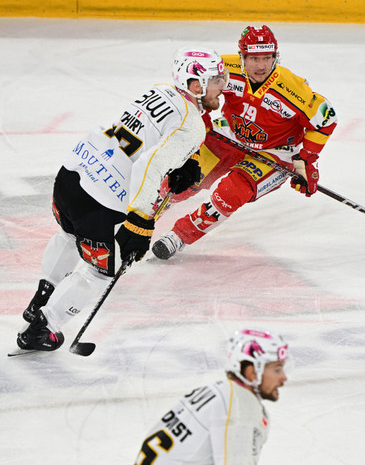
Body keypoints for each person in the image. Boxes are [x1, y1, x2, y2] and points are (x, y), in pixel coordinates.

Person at [16, 47, 227, 352]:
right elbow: (149, 165)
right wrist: (140, 222)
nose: (224, 85)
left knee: (67, 234)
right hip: (98, 202)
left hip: (72, 175)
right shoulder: (193, 125)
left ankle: (42, 298)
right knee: (100, 272)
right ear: (196, 85)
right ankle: (42, 329)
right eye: (217, 79)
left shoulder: (161, 90)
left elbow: (153, 135)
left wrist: (186, 158)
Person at [151, 25, 338, 260]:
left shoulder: (292, 89)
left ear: (275, 56)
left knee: (231, 193)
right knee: (187, 176)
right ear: (242, 56)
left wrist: (306, 162)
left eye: (267, 58)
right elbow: (195, 89)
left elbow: (325, 120)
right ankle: (151, 206)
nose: (261, 66)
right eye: (254, 58)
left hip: (276, 152)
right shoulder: (224, 69)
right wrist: (203, 118)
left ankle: (180, 235)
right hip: (230, 135)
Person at [133, 328, 289, 465]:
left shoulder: (223, 393)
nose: (284, 378)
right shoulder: (240, 406)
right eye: (277, 370)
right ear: (252, 372)